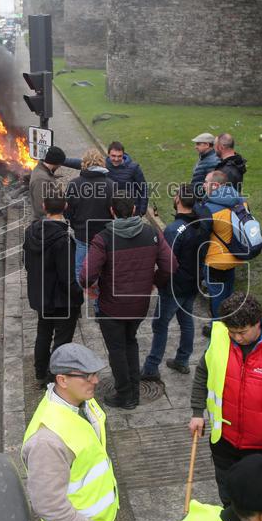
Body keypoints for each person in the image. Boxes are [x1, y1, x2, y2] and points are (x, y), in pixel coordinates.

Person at [189, 294, 262, 505]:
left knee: (259, 495)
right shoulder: (220, 338)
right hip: (223, 441)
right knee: (227, 490)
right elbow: (202, 373)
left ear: (258, 322)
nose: (236, 338)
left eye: (242, 332)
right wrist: (197, 412)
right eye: (232, 332)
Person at [22, 344, 118, 521]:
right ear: (62, 380)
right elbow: (46, 503)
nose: (96, 381)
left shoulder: (82, 401)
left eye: (95, 373)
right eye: (87, 376)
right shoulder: (47, 441)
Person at [81, 194, 175, 409]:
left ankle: (125, 394)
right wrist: (153, 281)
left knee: (116, 349)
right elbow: (170, 265)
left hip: (112, 307)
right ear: (134, 211)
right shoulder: (151, 233)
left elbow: (86, 275)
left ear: (112, 212)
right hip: (139, 305)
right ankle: (133, 391)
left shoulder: (103, 238)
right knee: (130, 342)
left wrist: (93, 288)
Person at [141, 183, 204, 379]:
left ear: (177, 199)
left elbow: (166, 263)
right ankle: (182, 360)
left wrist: (157, 281)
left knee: (160, 325)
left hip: (174, 287)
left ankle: (151, 367)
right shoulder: (201, 225)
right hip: (193, 283)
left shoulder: (174, 230)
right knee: (186, 321)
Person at [23, 188, 84, 386]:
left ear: (43, 207)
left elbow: (27, 263)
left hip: (41, 296)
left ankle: (40, 372)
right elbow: (67, 278)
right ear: (65, 207)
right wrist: (78, 296)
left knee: (43, 334)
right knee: (62, 340)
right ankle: (53, 376)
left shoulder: (30, 231)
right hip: (61, 300)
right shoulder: (63, 240)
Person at [197, 170, 247, 336]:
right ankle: (232, 325)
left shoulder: (209, 209)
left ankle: (218, 330)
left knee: (216, 299)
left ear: (216, 185)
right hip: (235, 257)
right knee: (229, 293)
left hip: (215, 261)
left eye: (205, 182)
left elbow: (201, 237)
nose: (203, 185)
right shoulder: (241, 201)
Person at [65, 149, 116, 286]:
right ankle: (98, 300)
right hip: (104, 236)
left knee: (80, 269)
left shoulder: (74, 184)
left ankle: (81, 297)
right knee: (103, 270)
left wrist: (75, 225)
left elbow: (67, 211)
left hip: (82, 234)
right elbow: (115, 212)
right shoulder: (111, 185)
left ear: (84, 163)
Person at [104, 141, 148, 219]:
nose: (116, 159)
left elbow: (143, 188)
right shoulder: (103, 167)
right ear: (108, 154)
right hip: (110, 213)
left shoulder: (134, 168)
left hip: (131, 212)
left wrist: (141, 211)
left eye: (119, 156)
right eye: (113, 156)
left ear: (123, 155)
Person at [30, 146, 68, 221]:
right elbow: (40, 208)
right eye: (59, 165)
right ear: (56, 163)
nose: (59, 167)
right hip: (44, 225)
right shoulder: (41, 180)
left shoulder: (42, 170)